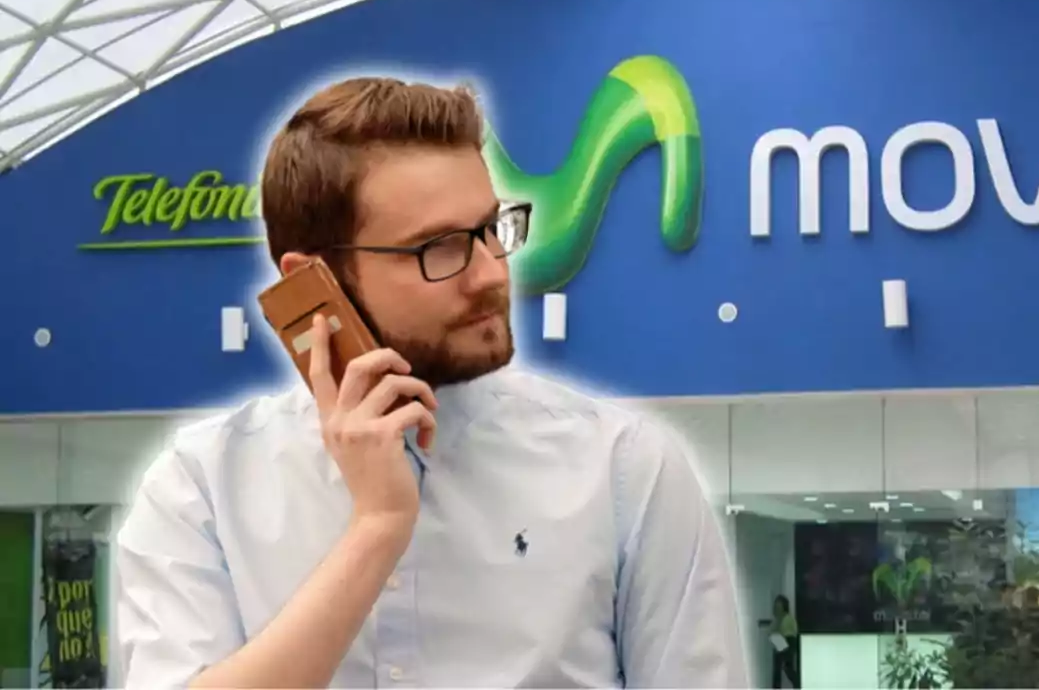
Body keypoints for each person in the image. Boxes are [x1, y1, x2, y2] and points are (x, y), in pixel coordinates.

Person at [113, 77, 748, 688]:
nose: (492, 274)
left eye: (491, 230)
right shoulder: (202, 486)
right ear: (311, 280)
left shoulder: (623, 469)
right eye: (438, 248)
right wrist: (378, 526)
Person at [769, 595, 799, 688]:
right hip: (781, 641)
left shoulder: (788, 618)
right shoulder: (778, 619)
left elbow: (790, 633)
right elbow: (771, 632)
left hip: (788, 641)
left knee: (787, 668)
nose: (777, 608)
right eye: (776, 606)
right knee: (782, 668)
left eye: (779, 605)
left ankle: (798, 686)